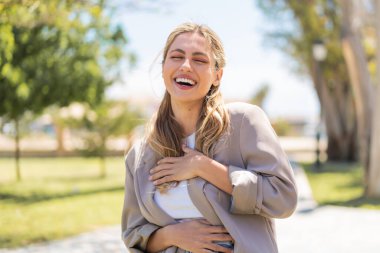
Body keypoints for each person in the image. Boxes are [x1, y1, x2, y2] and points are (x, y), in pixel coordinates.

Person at [121, 22, 298, 253]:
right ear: (164, 67)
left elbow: (283, 199)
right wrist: (172, 235)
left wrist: (203, 167)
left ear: (217, 75)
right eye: (176, 56)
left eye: (199, 60)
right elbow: (134, 236)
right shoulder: (140, 155)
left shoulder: (244, 122)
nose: (186, 66)